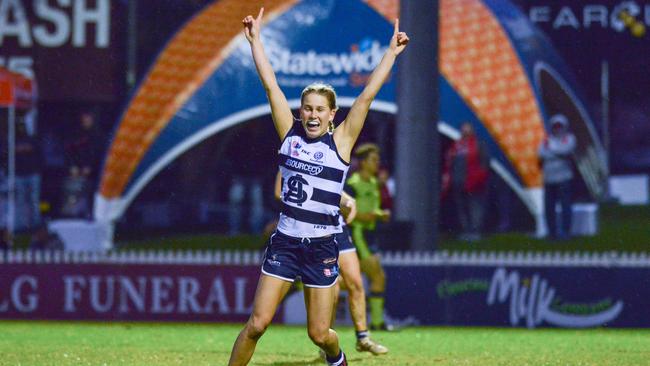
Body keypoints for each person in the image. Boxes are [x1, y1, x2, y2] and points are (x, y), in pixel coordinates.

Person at [228, 8, 408, 366]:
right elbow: (271, 85)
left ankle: (336, 356)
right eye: (307, 108)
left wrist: (390, 53)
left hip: (323, 246)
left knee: (319, 334)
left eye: (319, 109)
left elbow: (367, 97)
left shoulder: (341, 142)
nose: (311, 114)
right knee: (257, 325)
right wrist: (256, 43)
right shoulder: (289, 133)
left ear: (331, 115)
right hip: (285, 242)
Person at [273, 170, 389, 357]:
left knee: (356, 282)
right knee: (332, 290)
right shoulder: (294, 156)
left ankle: (363, 338)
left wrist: (348, 200)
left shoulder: (329, 156)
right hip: (313, 231)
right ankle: (327, 342)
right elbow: (279, 192)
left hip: (337, 227)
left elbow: (334, 188)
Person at [345, 143, 393, 331]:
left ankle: (375, 322)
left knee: (371, 277)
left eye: (378, 160)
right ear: (363, 163)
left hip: (371, 234)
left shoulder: (373, 183)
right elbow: (345, 212)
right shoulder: (352, 184)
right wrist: (373, 216)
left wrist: (380, 214)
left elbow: (372, 209)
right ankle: (375, 322)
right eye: (374, 160)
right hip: (358, 234)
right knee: (377, 276)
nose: (377, 163)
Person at [442, 122, 489, 242]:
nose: (465, 132)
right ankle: (465, 230)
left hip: (474, 181)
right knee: (461, 207)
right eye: (463, 130)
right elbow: (450, 162)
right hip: (458, 182)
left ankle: (475, 231)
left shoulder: (479, 145)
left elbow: (484, 162)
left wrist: (479, 177)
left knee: (475, 206)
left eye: (467, 130)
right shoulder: (456, 146)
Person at [538, 114, 576, 240]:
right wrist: (556, 152)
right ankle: (552, 232)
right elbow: (541, 153)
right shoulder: (546, 140)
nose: (557, 129)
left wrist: (552, 150)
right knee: (549, 207)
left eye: (560, 126)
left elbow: (566, 150)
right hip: (549, 178)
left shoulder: (569, 139)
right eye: (555, 126)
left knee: (565, 206)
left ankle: (566, 231)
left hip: (564, 178)